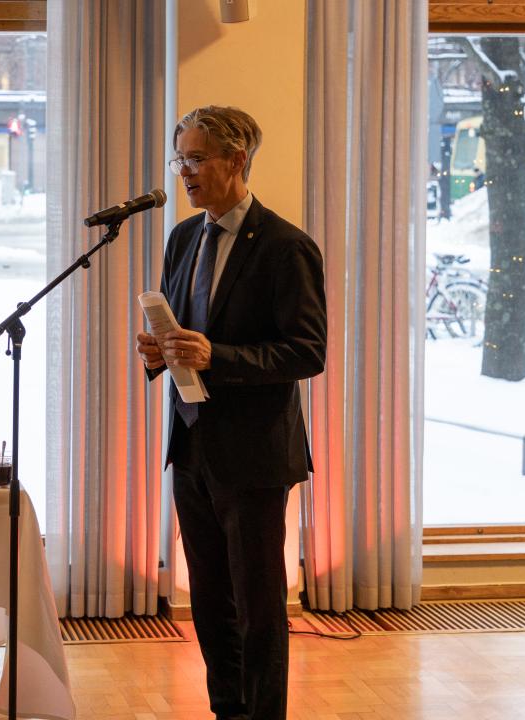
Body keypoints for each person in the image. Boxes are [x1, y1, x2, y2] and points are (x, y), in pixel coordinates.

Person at [135, 106, 327, 720]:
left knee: (258, 608)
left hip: (254, 455)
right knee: (210, 601)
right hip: (191, 444)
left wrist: (216, 355)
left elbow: (307, 351)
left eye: (196, 159)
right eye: (180, 159)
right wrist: (159, 352)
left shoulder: (286, 247)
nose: (184, 172)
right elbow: (185, 331)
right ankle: (228, 711)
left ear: (237, 160)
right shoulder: (183, 237)